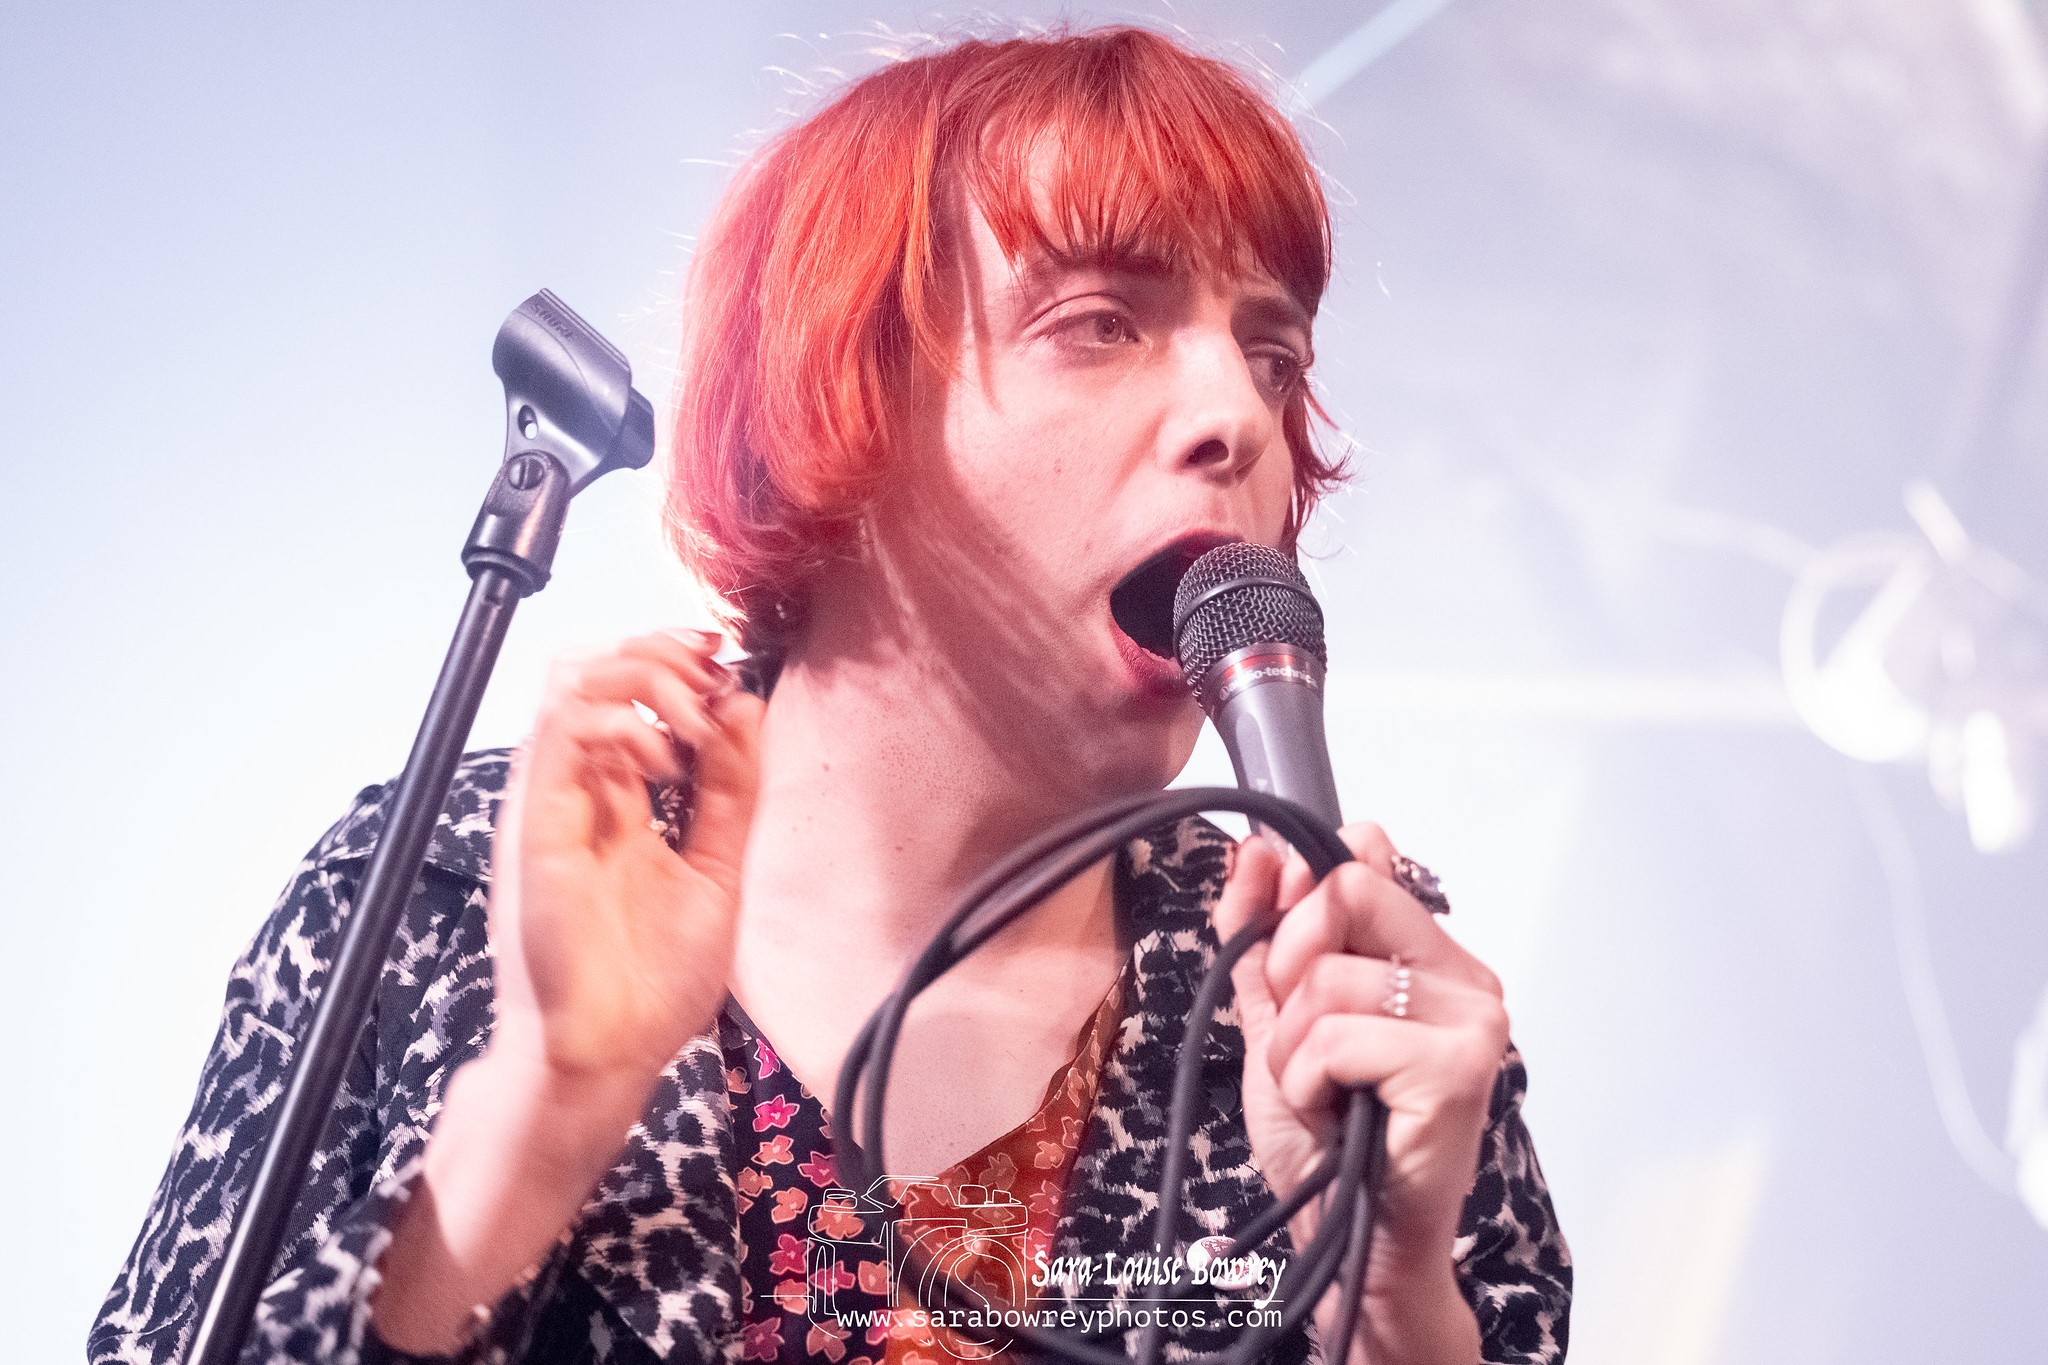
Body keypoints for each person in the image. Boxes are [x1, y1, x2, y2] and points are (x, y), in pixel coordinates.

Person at [92, 25, 1570, 1365]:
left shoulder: (1342, 976)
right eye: (1100, 323)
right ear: (836, 404)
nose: (1238, 417)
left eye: (1272, 356)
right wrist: (527, 1125)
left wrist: (1389, 1303)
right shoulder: (429, 892)